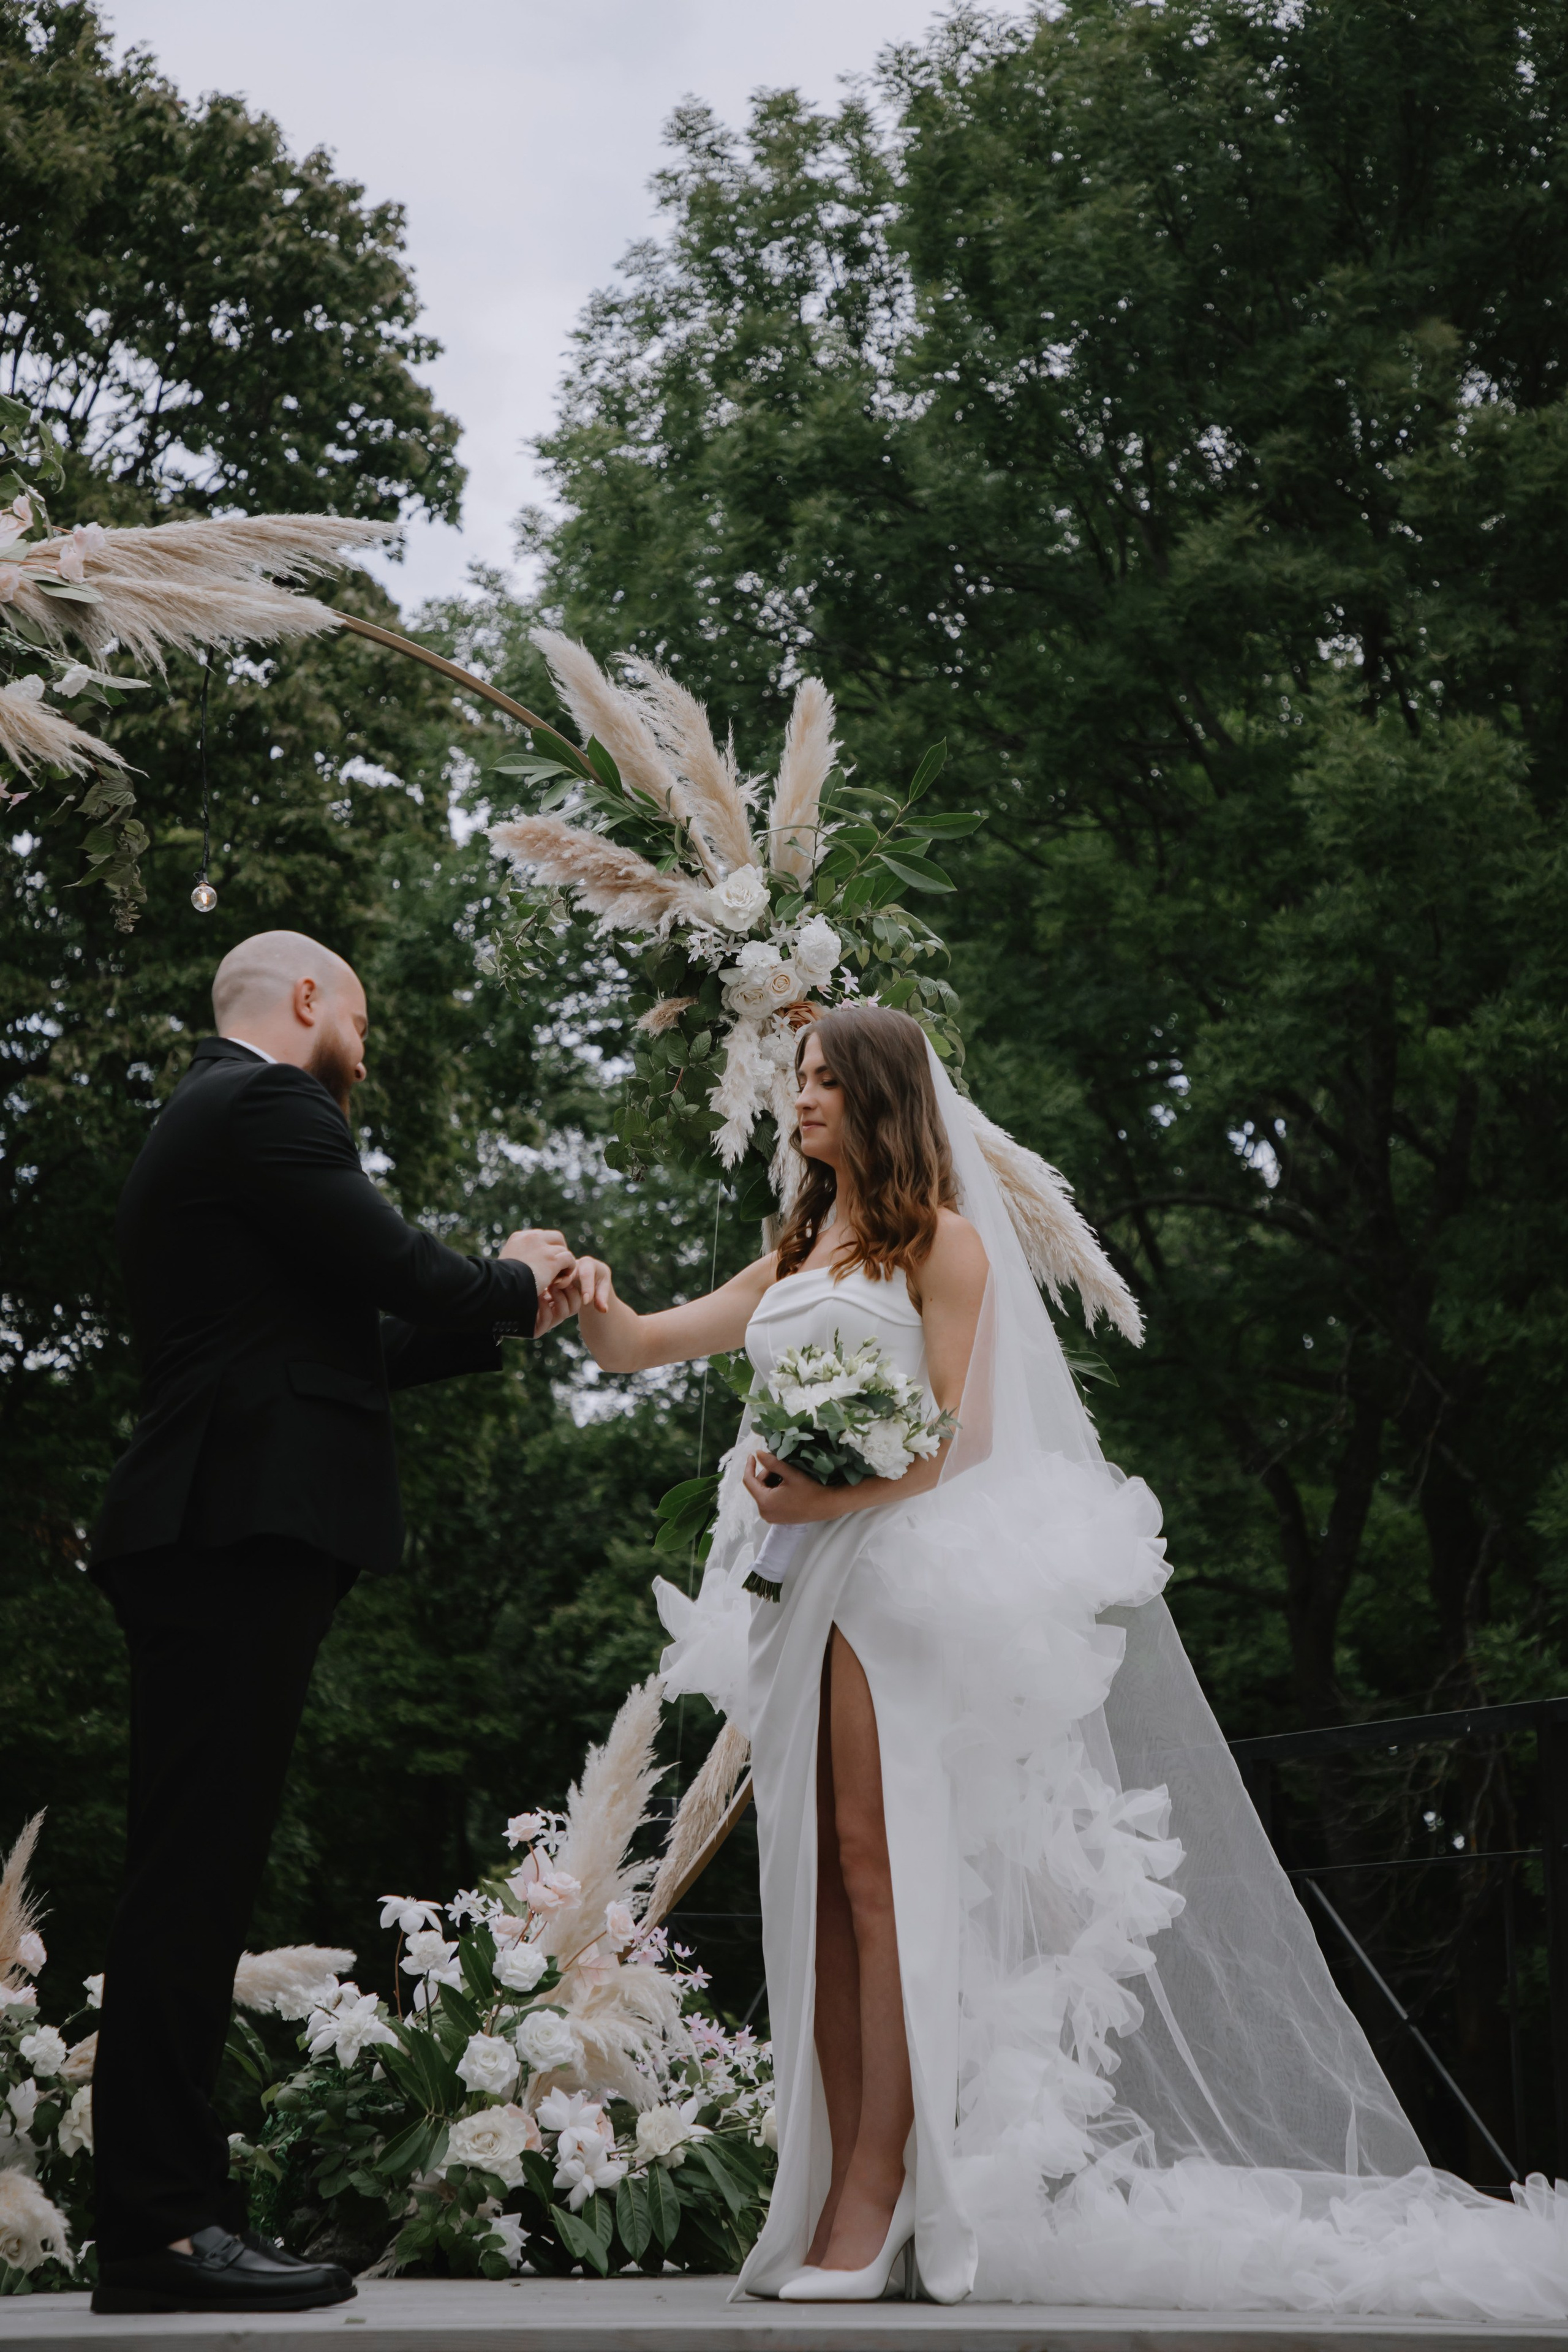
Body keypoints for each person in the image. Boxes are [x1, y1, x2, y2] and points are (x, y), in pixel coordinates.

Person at [567, 1002, 1568, 2318]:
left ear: (876, 1100)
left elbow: (953, 1444)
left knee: (875, 1880)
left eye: (817, 1082)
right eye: (795, 1081)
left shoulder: (945, 1248)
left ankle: (881, 2199)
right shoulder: (797, 1247)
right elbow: (647, 1344)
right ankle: (818, 2195)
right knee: (807, 1886)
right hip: (788, 1596)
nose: (795, 1100)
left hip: (880, 1587)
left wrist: (820, 1492)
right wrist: (586, 1300)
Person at [88, 930, 581, 2318]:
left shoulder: (213, 1126)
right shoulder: (268, 1102)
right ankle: (162, 2234)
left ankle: (163, 2224)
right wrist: (501, 1267)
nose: (364, 1045)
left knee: (193, 1873)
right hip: (227, 1533)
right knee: (191, 1882)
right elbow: (404, 1271)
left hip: (208, 1532)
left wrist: (506, 1314)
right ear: (306, 1001)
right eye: (358, 1016)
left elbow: (344, 1349)